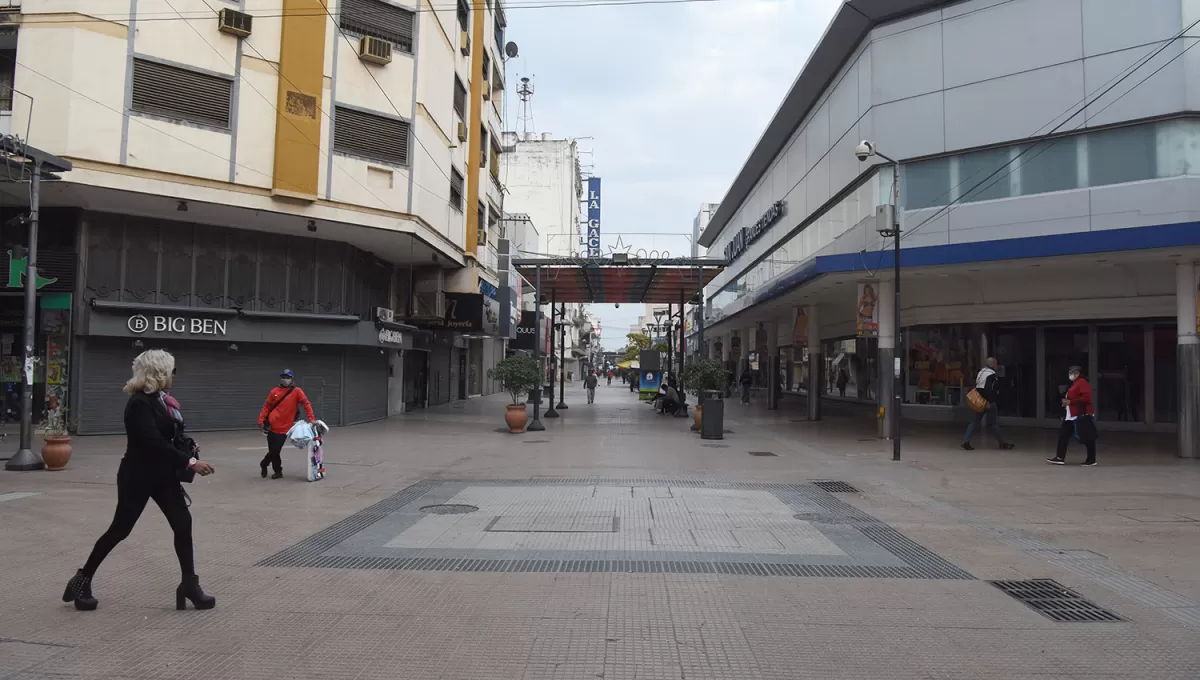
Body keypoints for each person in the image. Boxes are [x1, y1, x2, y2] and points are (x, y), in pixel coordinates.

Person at [63, 349, 216, 612]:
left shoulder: (162, 400)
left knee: (183, 524)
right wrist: (190, 462)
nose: (174, 376)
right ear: (160, 372)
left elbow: (169, 437)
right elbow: (152, 442)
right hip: (138, 476)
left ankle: (190, 585)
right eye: (172, 371)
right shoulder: (138, 404)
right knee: (120, 529)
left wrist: (187, 445)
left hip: (163, 475)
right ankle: (82, 579)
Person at [258, 369, 315, 479]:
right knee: (273, 451)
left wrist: (311, 418)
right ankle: (278, 471)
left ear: (292, 379)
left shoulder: (297, 391)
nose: (285, 379)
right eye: (283, 377)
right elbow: (267, 406)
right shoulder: (274, 391)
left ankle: (263, 464)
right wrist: (261, 420)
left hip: (285, 428)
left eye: (288, 377)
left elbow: (306, 404)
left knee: (276, 449)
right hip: (271, 426)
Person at [961, 357, 1015, 451]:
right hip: (988, 402)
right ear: (993, 364)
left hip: (979, 401)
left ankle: (966, 441)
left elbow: (978, 386)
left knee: (974, 422)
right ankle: (1002, 443)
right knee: (994, 424)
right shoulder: (991, 374)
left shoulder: (981, 372)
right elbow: (988, 388)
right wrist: (989, 401)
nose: (997, 366)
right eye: (996, 364)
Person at [1048, 366, 1097, 466]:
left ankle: (1091, 459)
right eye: (1070, 372)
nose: (1070, 374)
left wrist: (1071, 401)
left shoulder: (1082, 382)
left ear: (1078, 373)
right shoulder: (1075, 383)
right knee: (1063, 434)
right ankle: (1059, 457)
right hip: (1072, 414)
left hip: (1081, 414)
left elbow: (1086, 398)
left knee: (1087, 436)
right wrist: (1066, 402)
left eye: (1072, 372)